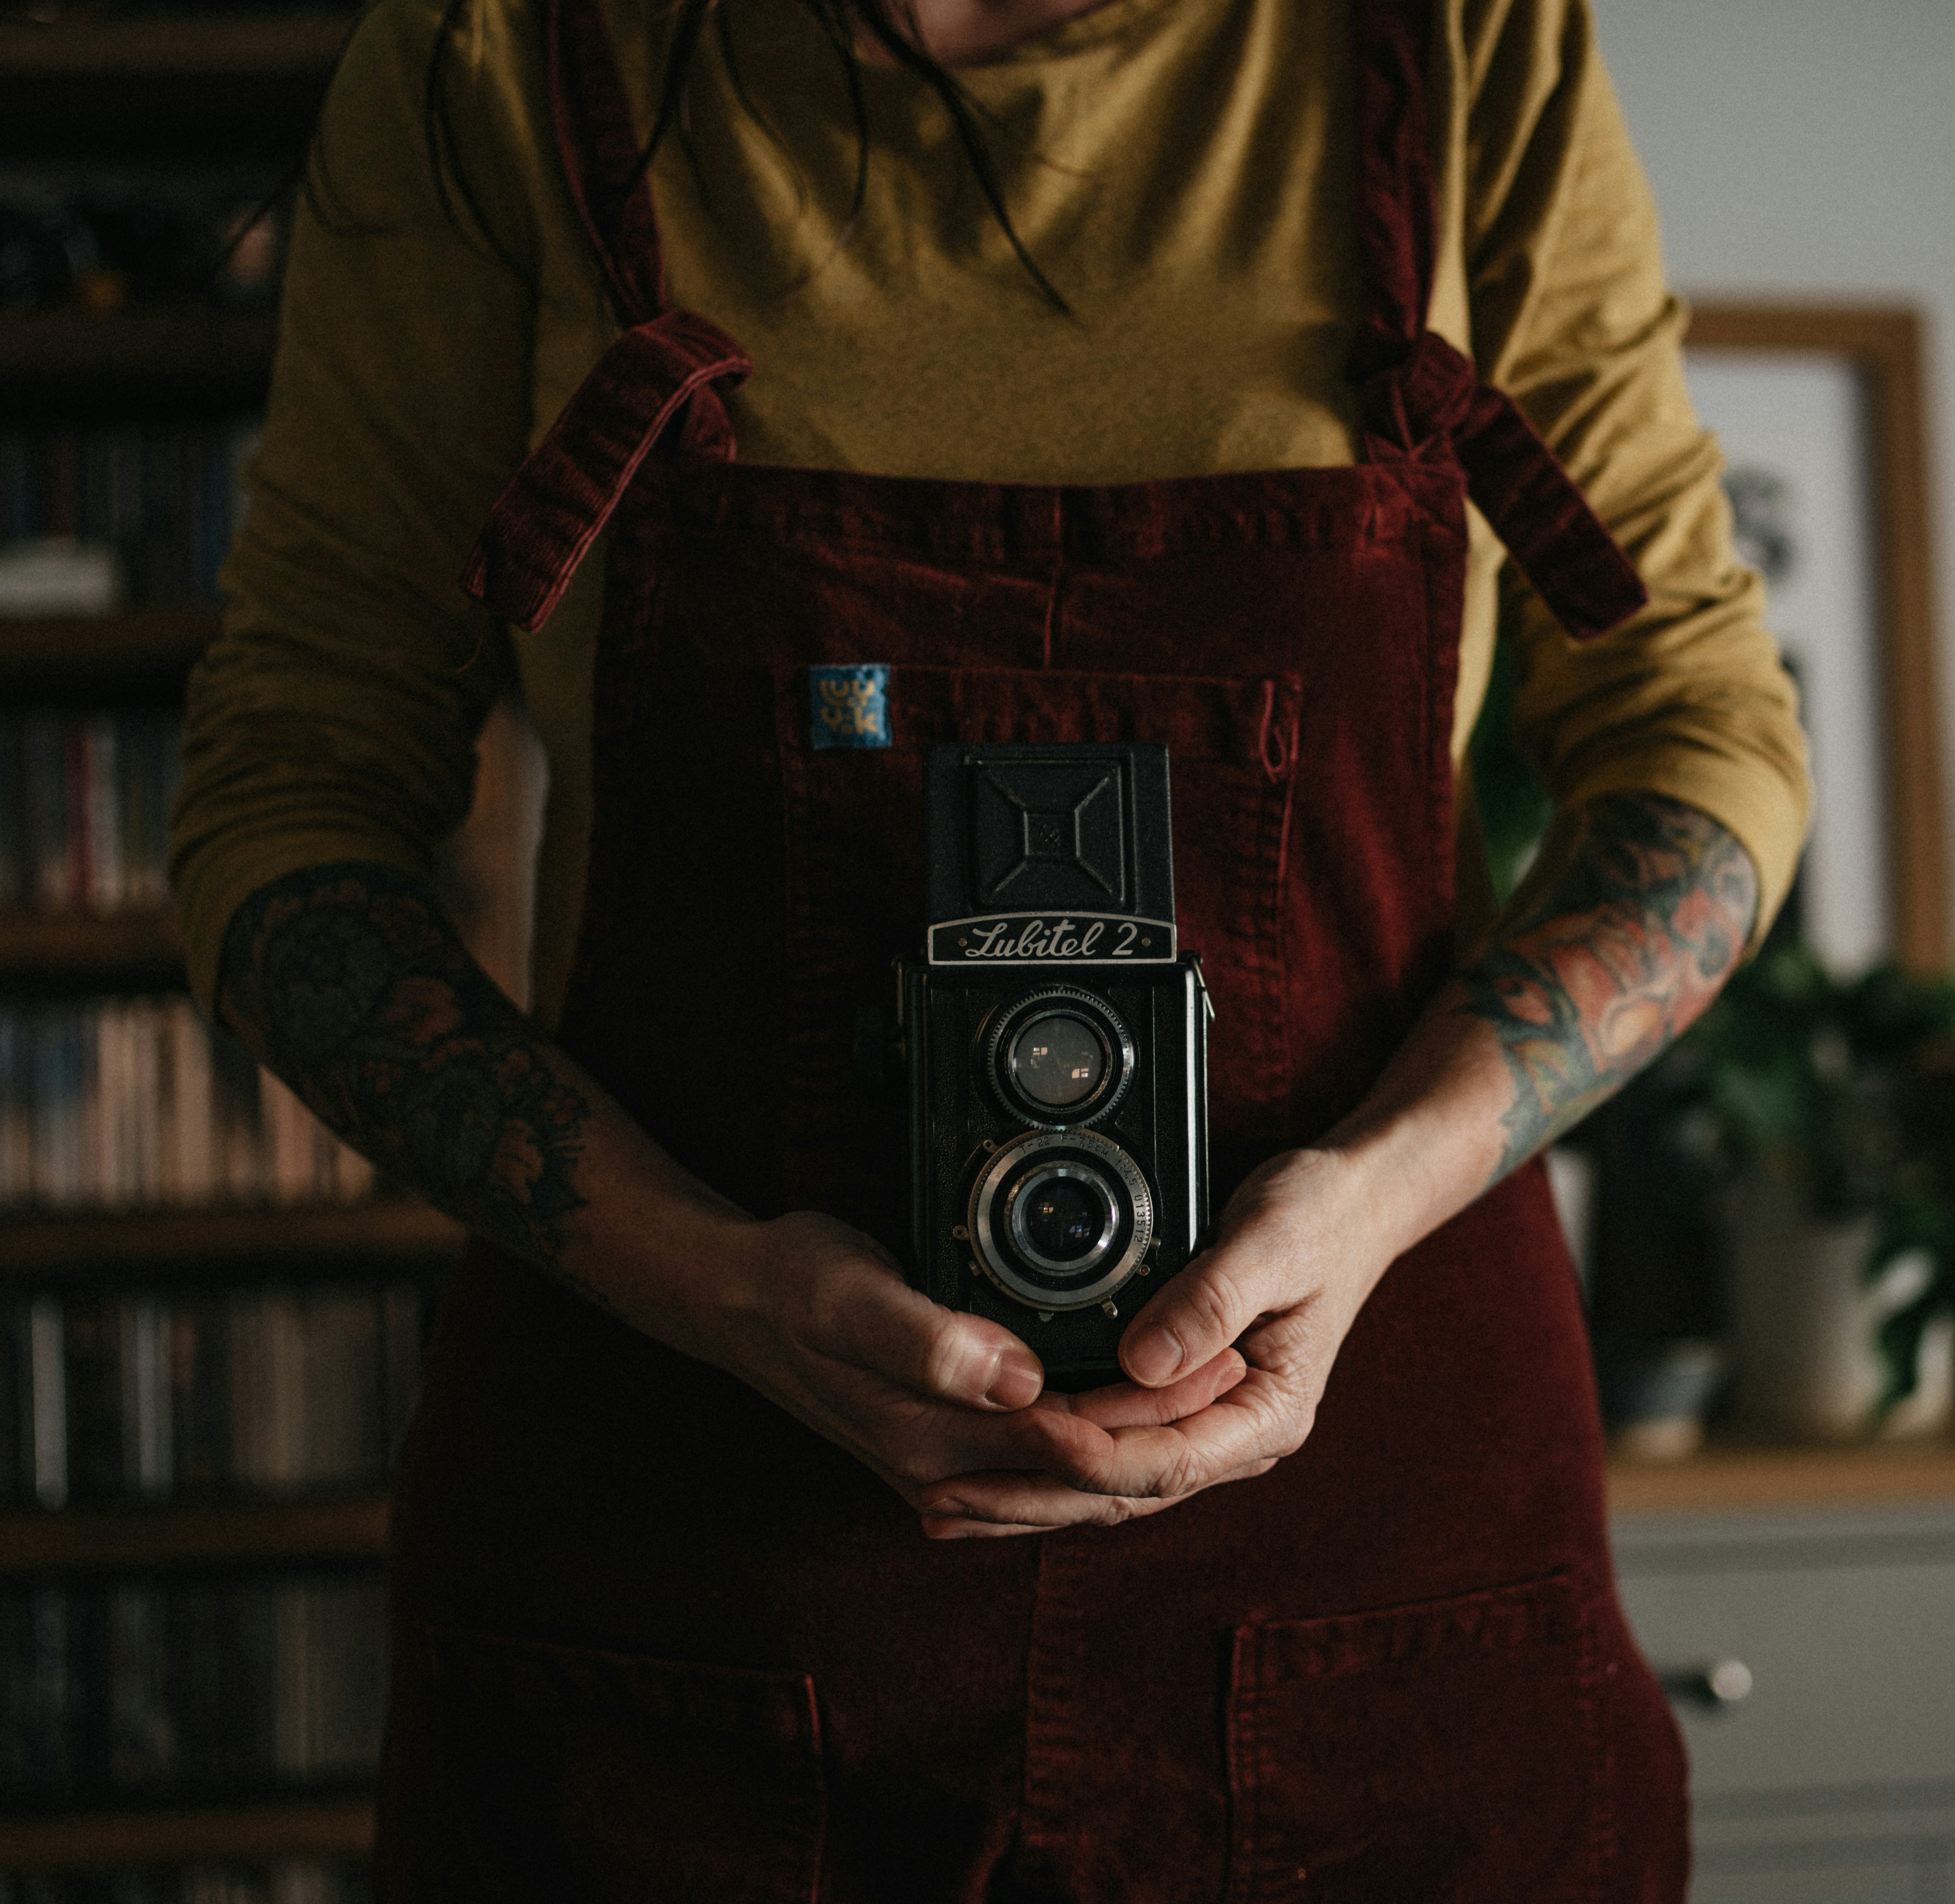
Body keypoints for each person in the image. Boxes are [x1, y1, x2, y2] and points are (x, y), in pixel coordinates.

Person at [171, 0, 1810, 1894]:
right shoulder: (501, 55)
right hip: (695, 1608)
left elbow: (1703, 739)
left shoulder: (1459, 43)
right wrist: (708, 1282)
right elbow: (287, 800)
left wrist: (1372, 1197)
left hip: (1374, 1572)